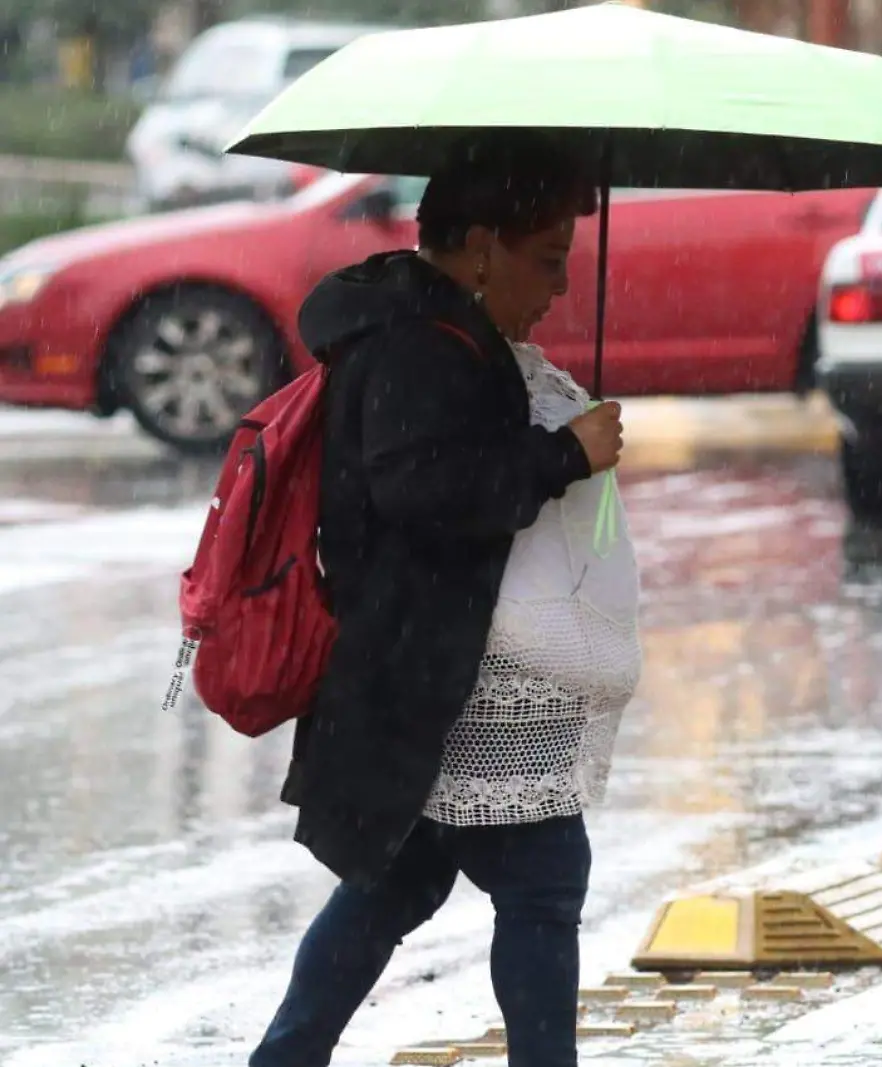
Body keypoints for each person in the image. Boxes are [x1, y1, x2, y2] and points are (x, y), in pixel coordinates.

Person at [251, 131, 639, 1067]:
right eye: (546, 261)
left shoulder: (425, 327)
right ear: (478, 247)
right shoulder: (426, 346)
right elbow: (425, 492)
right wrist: (562, 455)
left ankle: (285, 1057)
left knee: (400, 881)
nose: (555, 288)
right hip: (441, 666)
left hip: (418, 662)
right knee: (543, 883)